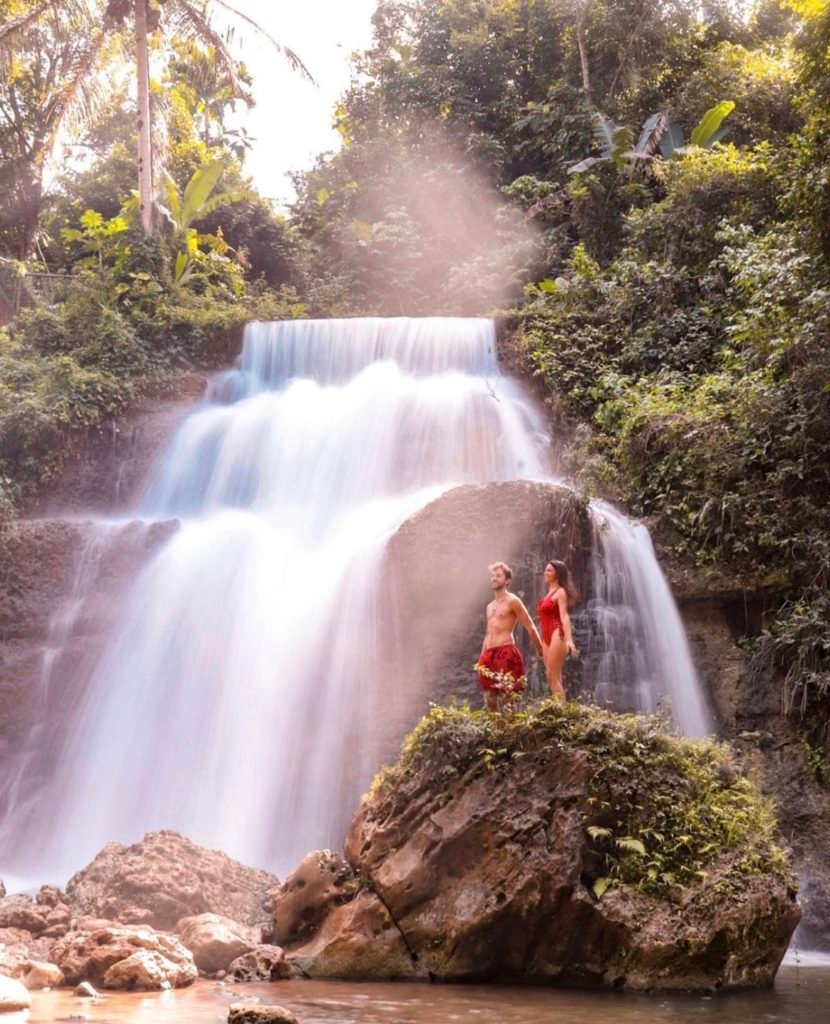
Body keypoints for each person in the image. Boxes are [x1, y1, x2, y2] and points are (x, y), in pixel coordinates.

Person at [477, 561, 543, 712]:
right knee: (489, 697)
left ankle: (512, 732)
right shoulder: (489, 607)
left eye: (498, 575)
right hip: (489, 654)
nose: (494, 578)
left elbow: (530, 626)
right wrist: (482, 659)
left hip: (506, 650)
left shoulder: (513, 601)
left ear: (507, 581)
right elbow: (488, 634)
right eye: (492, 576)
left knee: (508, 696)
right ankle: (497, 732)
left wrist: (540, 650)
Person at [536, 560, 579, 702]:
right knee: (553, 676)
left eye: (549, 571)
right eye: (545, 570)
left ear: (558, 574)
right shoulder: (548, 592)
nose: (546, 573)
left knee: (551, 675)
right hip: (545, 635)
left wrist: (569, 640)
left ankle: (562, 713)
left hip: (557, 632)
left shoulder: (560, 592)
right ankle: (560, 708)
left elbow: (564, 616)